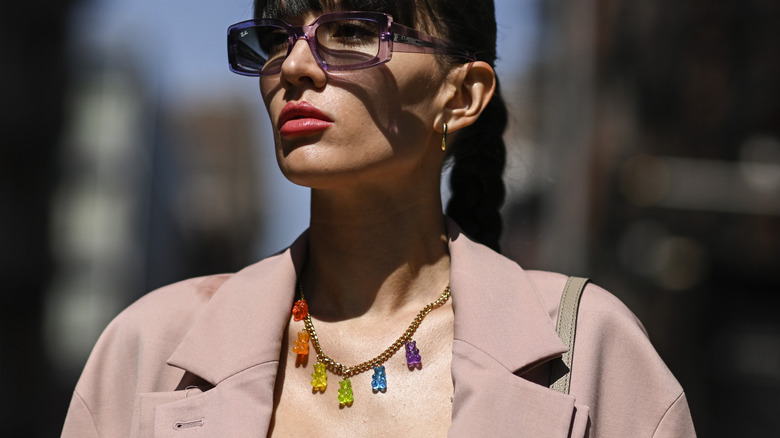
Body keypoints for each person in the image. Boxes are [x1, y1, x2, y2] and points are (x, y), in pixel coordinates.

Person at [61, 0, 696, 436]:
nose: (296, 66)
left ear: (464, 93)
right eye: (277, 38)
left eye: (354, 33)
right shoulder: (149, 352)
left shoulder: (591, 352)